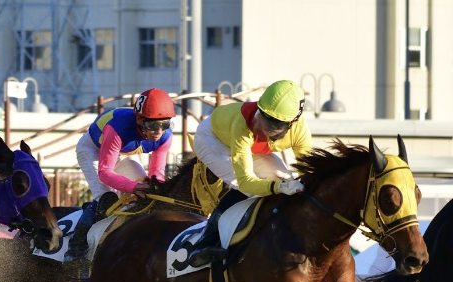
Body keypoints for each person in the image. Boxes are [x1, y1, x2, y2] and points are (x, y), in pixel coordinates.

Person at [186, 79, 311, 267]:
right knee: (246, 186)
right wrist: (279, 187)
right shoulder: (243, 124)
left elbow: (308, 170)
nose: (262, 125)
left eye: (275, 122)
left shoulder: (300, 131)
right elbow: (245, 181)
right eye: (264, 115)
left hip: (251, 148)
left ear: (293, 123)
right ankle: (205, 243)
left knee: (286, 179)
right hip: (211, 140)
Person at [64, 88, 175, 261]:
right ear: (139, 119)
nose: (159, 132)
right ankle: (75, 249)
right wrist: (132, 186)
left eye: (165, 124)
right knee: (107, 197)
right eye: (153, 125)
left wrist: (155, 189)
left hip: (121, 154)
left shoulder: (166, 137)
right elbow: (105, 172)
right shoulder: (118, 128)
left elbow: (156, 176)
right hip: (92, 150)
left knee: (148, 193)